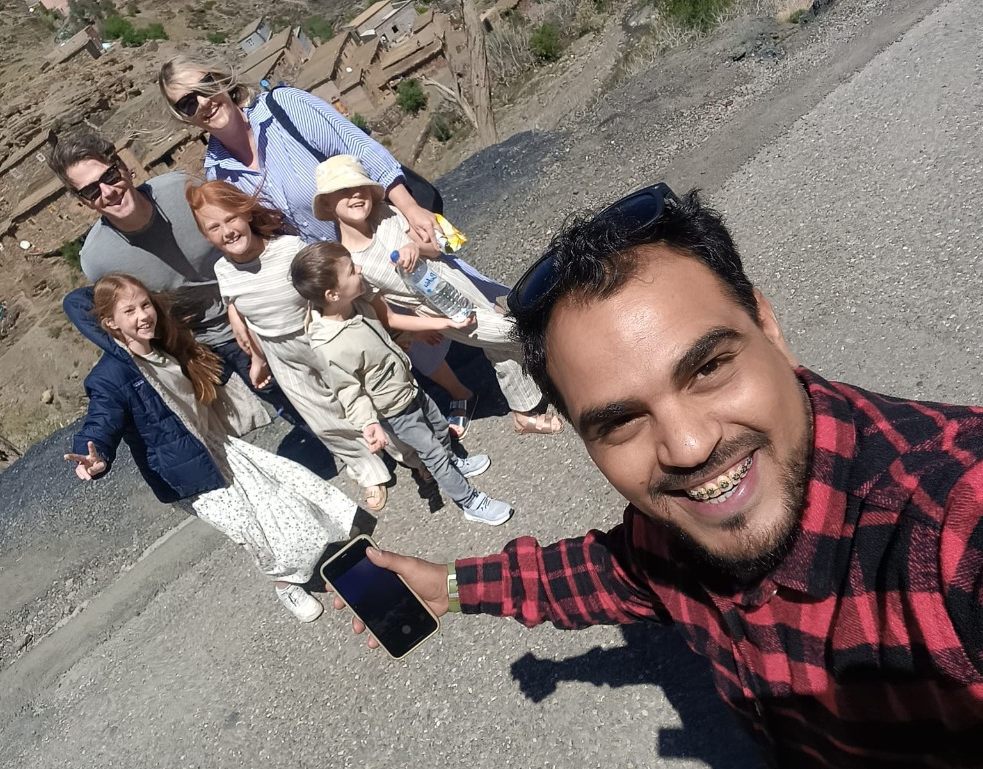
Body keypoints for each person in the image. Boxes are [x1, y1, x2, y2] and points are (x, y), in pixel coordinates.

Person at [334, 184, 983, 768]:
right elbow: (613, 573)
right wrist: (447, 586)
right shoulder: (673, 534)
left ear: (768, 326)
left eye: (709, 368)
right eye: (621, 421)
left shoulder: (948, 520)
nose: (689, 447)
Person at [156, 56, 485, 438]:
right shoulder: (219, 173)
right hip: (337, 272)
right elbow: (251, 238)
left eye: (205, 86)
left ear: (220, 79)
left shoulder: (284, 107)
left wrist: (411, 209)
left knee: (458, 296)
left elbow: (358, 148)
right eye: (187, 102)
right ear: (184, 117)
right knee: (403, 336)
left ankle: (522, 349)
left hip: (378, 233)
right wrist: (236, 305)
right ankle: (461, 393)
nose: (203, 101)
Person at [63, 274, 356, 623]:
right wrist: (94, 453)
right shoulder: (111, 375)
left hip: (214, 444)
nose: (143, 315)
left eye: (145, 304)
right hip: (186, 471)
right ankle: (285, 584)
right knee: (248, 527)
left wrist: (118, 298)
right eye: (129, 311)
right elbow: (102, 418)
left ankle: (326, 542)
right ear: (110, 323)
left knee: (284, 488)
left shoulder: (163, 344)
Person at [187, 179, 429, 512]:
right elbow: (241, 309)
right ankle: (367, 467)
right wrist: (257, 358)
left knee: (368, 395)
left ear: (247, 214)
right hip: (280, 353)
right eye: (214, 227)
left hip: (321, 337)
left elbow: (332, 284)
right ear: (205, 236)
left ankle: (414, 453)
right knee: (323, 416)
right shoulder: (223, 270)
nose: (227, 231)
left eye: (231, 219)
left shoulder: (288, 249)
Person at [46, 127, 300, 425]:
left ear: (123, 166)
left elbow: (246, 226)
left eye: (110, 176)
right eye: (92, 190)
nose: (108, 191)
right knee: (294, 407)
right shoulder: (98, 260)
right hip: (212, 343)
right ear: (84, 201)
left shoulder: (180, 190)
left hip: (264, 304)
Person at [313, 154, 564, 437]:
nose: (356, 195)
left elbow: (436, 248)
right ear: (327, 203)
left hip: (457, 281)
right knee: (517, 332)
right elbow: (389, 317)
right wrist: (437, 326)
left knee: (499, 347)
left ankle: (523, 413)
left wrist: (415, 247)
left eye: (360, 187)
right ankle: (569, 373)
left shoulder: (387, 214)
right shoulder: (351, 262)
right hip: (445, 312)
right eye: (344, 191)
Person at [292, 241, 514, 526]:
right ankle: (469, 501)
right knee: (432, 454)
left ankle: (453, 462)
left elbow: (381, 333)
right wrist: (368, 423)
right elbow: (349, 390)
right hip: (393, 409)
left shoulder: (354, 304)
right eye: (351, 271)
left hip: (409, 386)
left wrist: (408, 337)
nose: (359, 269)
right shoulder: (330, 345)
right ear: (332, 294)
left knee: (440, 429)